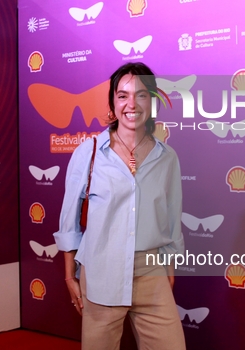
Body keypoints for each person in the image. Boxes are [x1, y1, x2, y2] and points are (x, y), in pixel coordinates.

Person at [54, 62, 186, 350]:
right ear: (112, 103)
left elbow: (172, 218)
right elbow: (69, 222)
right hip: (102, 270)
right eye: (122, 95)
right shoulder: (88, 153)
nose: (131, 104)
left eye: (141, 95)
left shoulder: (167, 157)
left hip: (152, 273)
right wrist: (69, 274)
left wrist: (169, 269)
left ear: (152, 101)